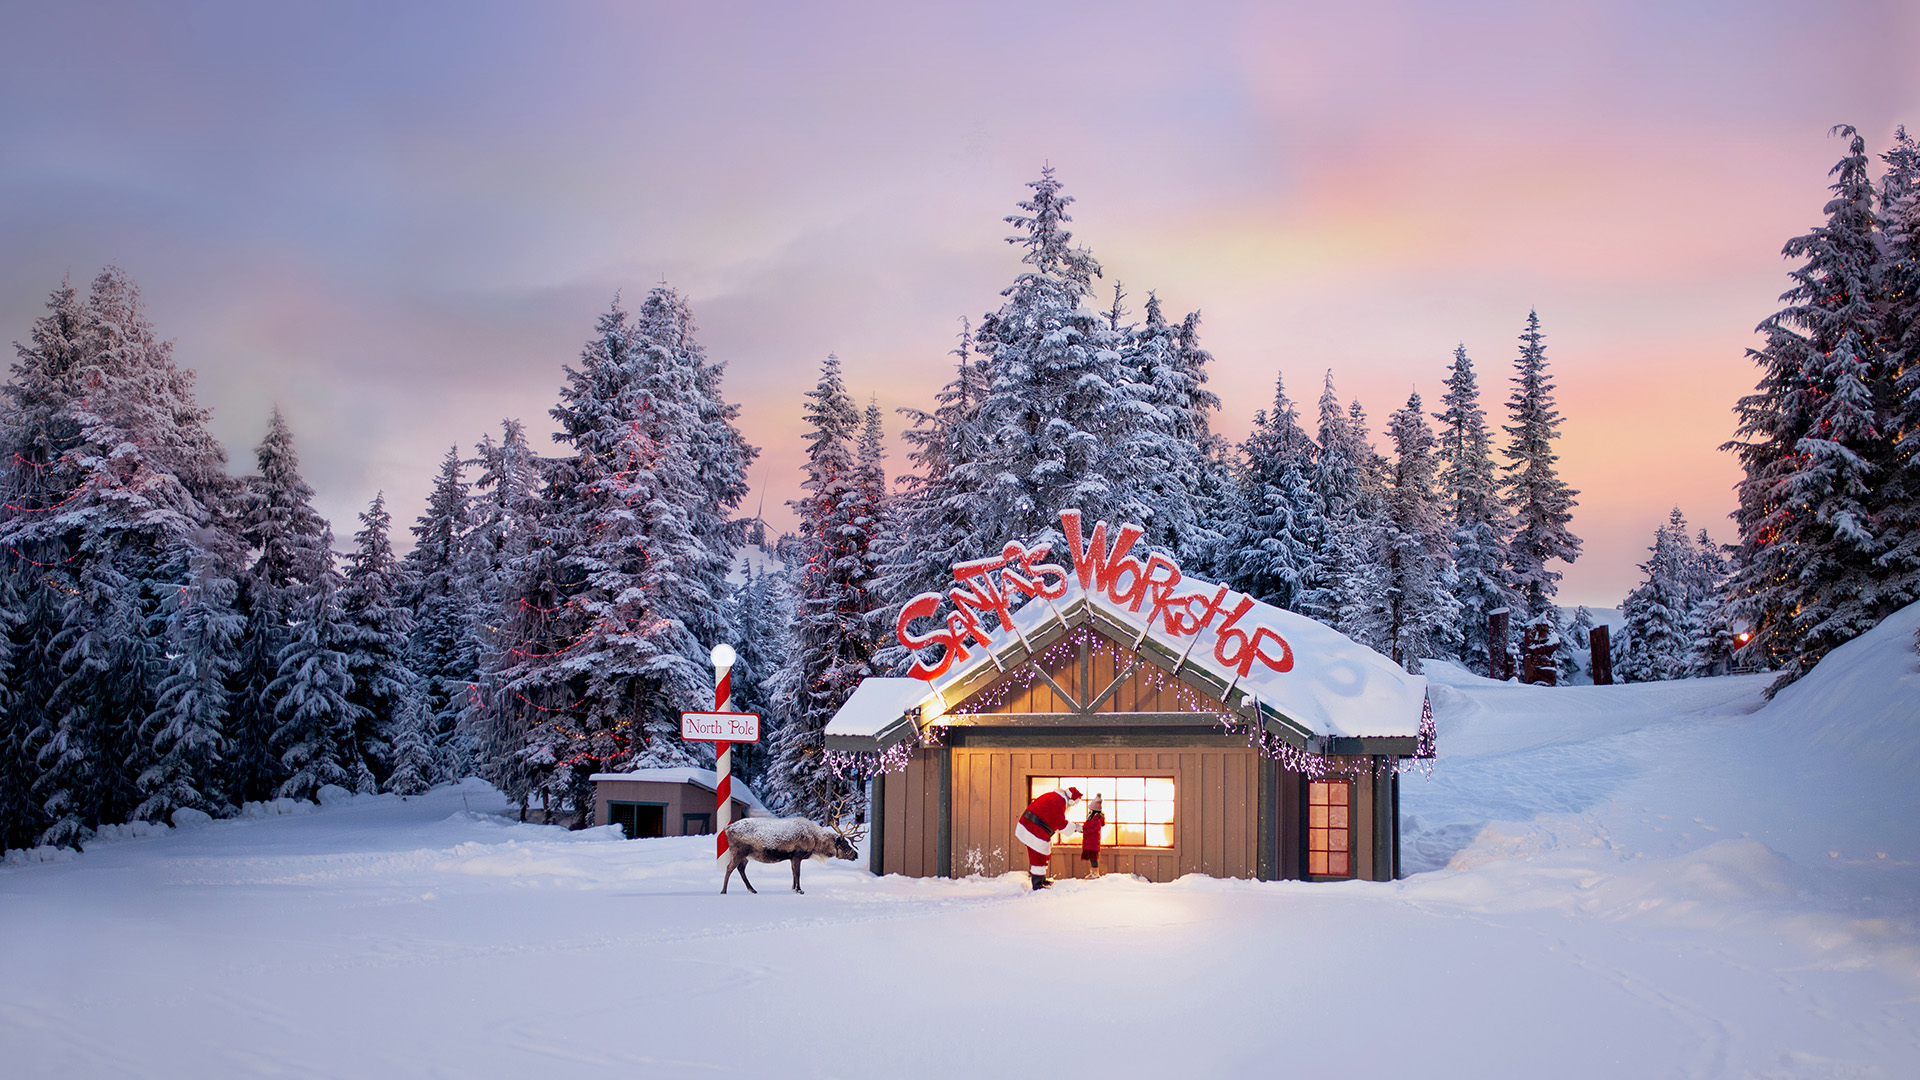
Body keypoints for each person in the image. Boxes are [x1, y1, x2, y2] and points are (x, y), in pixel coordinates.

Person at [1015, 785, 1081, 889]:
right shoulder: (1058, 801)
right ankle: (1037, 884)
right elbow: (1060, 823)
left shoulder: (1053, 797)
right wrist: (1076, 827)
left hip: (1032, 827)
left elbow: (1053, 819)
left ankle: (1041, 880)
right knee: (1038, 856)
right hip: (1033, 829)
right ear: (1071, 801)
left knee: (1041, 855)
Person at [1080, 793, 1106, 876]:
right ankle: (1093, 873)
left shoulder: (1096, 820)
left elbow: (1089, 829)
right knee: (1092, 859)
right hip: (1091, 842)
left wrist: (1081, 829)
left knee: (1093, 859)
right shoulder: (1094, 818)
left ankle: (1095, 873)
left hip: (1092, 842)